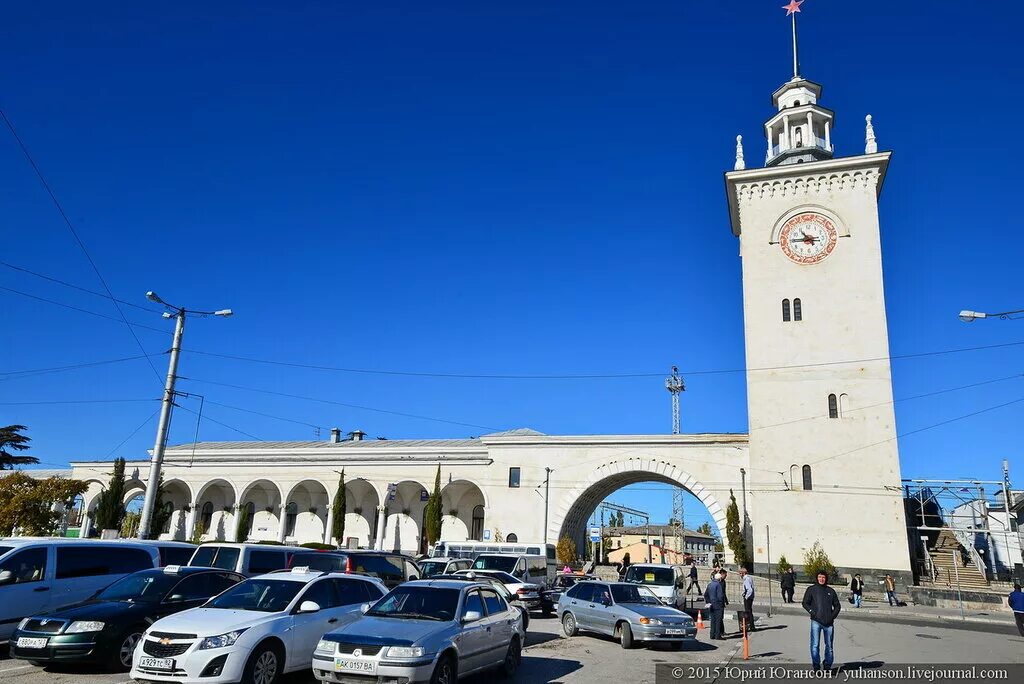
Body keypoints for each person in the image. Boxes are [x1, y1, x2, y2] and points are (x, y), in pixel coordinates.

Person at [802, 571, 841, 671]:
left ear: (826, 578)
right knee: (815, 645)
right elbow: (805, 603)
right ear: (817, 578)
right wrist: (812, 612)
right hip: (816, 621)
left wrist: (832, 616)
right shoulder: (811, 589)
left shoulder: (830, 591)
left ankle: (827, 665)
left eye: (823, 577)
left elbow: (837, 606)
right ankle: (816, 665)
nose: (821, 579)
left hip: (829, 623)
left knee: (829, 646)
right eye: (819, 577)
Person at [703, 571, 726, 640]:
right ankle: (717, 635)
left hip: (711, 605)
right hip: (718, 604)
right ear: (719, 579)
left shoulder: (710, 584)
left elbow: (705, 594)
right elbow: (720, 596)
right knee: (718, 620)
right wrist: (721, 603)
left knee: (712, 620)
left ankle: (712, 635)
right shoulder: (718, 585)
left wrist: (708, 602)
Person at [739, 567, 756, 632]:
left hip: (748, 598)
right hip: (750, 597)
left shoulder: (746, 579)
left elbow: (749, 589)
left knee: (748, 612)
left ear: (743, 573)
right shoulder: (749, 578)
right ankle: (752, 626)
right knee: (749, 611)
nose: (739, 575)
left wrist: (746, 597)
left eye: (740, 573)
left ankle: (751, 626)